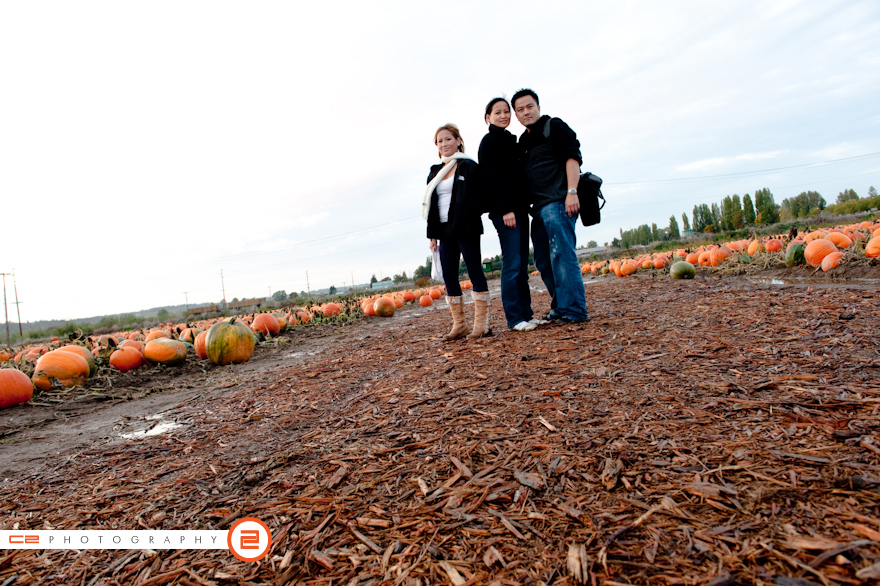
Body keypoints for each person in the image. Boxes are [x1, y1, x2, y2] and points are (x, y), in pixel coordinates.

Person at [512, 88, 589, 323]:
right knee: (544, 261)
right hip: (538, 208)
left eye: (529, 106)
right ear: (516, 115)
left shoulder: (554, 126)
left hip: (558, 202)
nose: (526, 112)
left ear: (538, 107)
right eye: (520, 109)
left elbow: (572, 158)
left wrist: (572, 192)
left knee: (562, 256)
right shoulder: (523, 141)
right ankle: (560, 306)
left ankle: (574, 310)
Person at [478, 97, 543, 332]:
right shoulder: (489, 142)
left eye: (507, 112)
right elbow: (492, 180)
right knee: (512, 264)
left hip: (519, 210)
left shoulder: (509, 141)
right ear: (488, 118)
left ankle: (526, 314)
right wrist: (505, 209)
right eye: (498, 113)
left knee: (521, 264)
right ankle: (515, 318)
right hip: (505, 212)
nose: (504, 116)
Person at [422, 123, 491, 340]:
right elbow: (431, 206)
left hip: (466, 227)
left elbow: (481, 198)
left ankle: (481, 325)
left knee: (474, 271)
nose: (444, 144)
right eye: (440, 141)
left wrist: (465, 215)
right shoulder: (434, 172)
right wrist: (432, 235)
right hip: (443, 231)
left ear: (458, 141)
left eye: (448, 139)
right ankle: (459, 325)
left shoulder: (469, 167)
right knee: (449, 276)